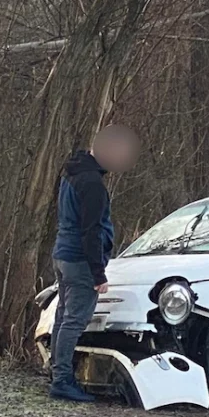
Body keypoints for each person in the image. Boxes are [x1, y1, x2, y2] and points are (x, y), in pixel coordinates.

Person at [49, 124, 140, 402]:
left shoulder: (71, 173)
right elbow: (91, 232)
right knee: (74, 321)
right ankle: (62, 380)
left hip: (63, 255)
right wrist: (98, 274)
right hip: (79, 260)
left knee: (63, 318)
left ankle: (58, 373)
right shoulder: (92, 185)